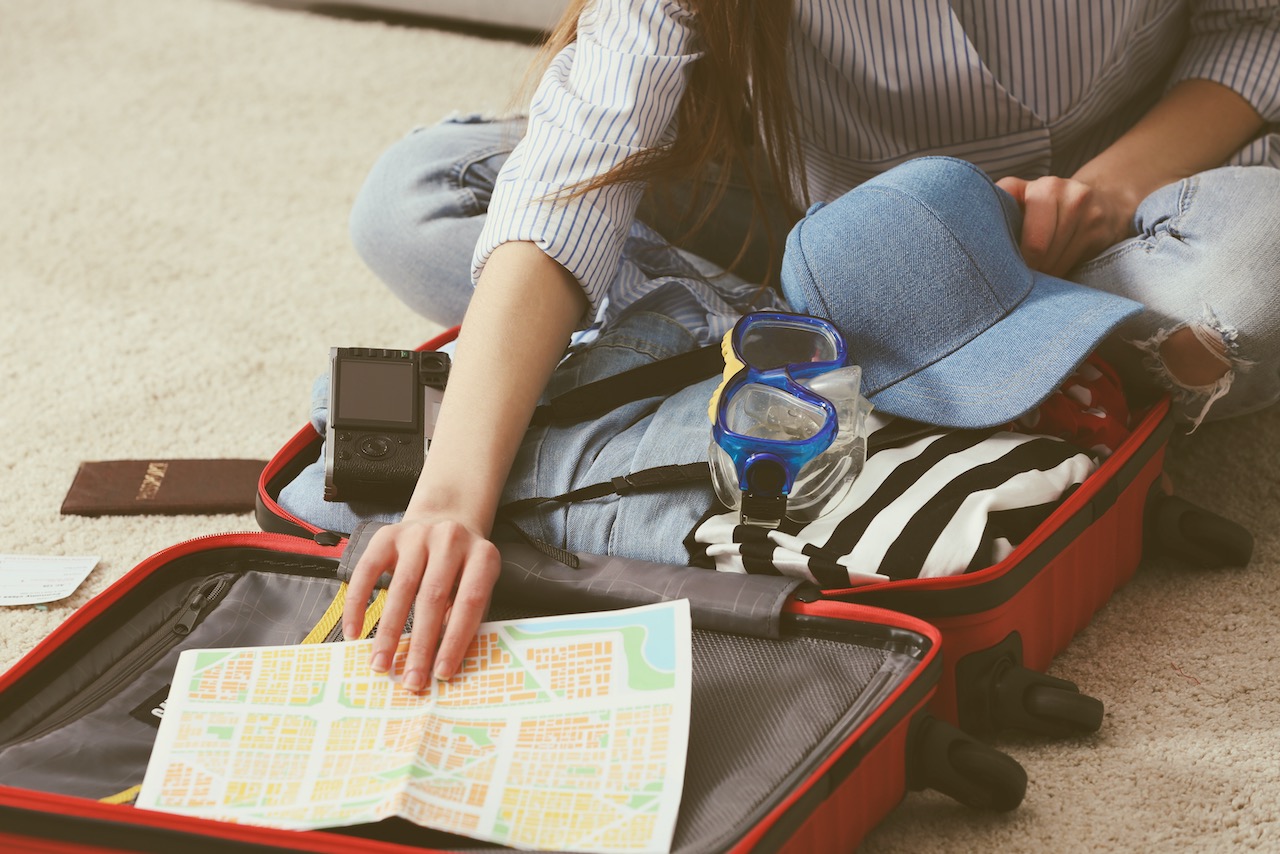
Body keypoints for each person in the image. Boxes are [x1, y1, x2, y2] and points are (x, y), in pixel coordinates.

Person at [340, 0, 1280, 692]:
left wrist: (1108, 189)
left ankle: (841, 356)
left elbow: (1255, 27)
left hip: (1113, 222)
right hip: (828, 233)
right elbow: (580, 156)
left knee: (1242, 288)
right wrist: (453, 496)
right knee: (416, 201)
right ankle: (956, 366)